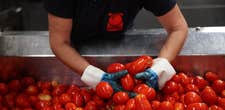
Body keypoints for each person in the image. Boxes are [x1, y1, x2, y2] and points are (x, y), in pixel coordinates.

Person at [44, 0, 188, 92]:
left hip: (119, 38)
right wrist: (93, 76)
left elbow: (178, 28)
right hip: (74, 48)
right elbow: (60, 42)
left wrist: (160, 67)